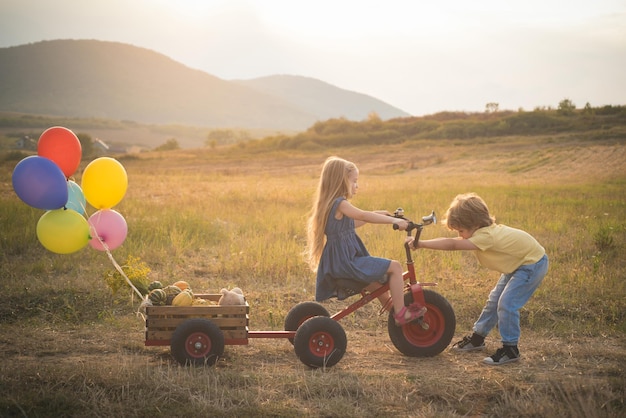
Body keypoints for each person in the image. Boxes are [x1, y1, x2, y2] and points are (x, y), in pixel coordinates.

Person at [407, 192, 548, 365]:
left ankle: (510, 349)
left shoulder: (486, 236)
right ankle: (477, 339)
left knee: (506, 304)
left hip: (532, 264)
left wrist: (421, 244)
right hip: (518, 264)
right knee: (493, 301)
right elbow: (454, 240)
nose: (460, 235)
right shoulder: (481, 232)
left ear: (474, 224)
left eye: (461, 230)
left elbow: (452, 244)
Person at [306, 156, 427, 326]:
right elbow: (362, 215)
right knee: (395, 267)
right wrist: (394, 221)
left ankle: (395, 312)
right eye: (354, 181)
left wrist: (379, 214)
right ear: (342, 181)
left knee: (377, 286)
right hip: (347, 263)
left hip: (341, 263)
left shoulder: (330, 205)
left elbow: (353, 223)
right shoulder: (340, 203)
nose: (357, 186)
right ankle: (400, 314)